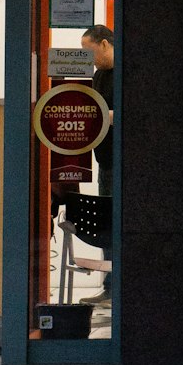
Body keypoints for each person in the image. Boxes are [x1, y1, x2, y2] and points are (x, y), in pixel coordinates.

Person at [79, 23, 115, 307]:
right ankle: (111, 287)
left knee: (116, 223)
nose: (87, 57)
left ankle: (117, 287)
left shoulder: (121, 72)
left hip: (120, 157)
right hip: (104, 157)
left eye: (89, 50)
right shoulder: (99, 75)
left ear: (104, 44)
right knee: (106, 223)